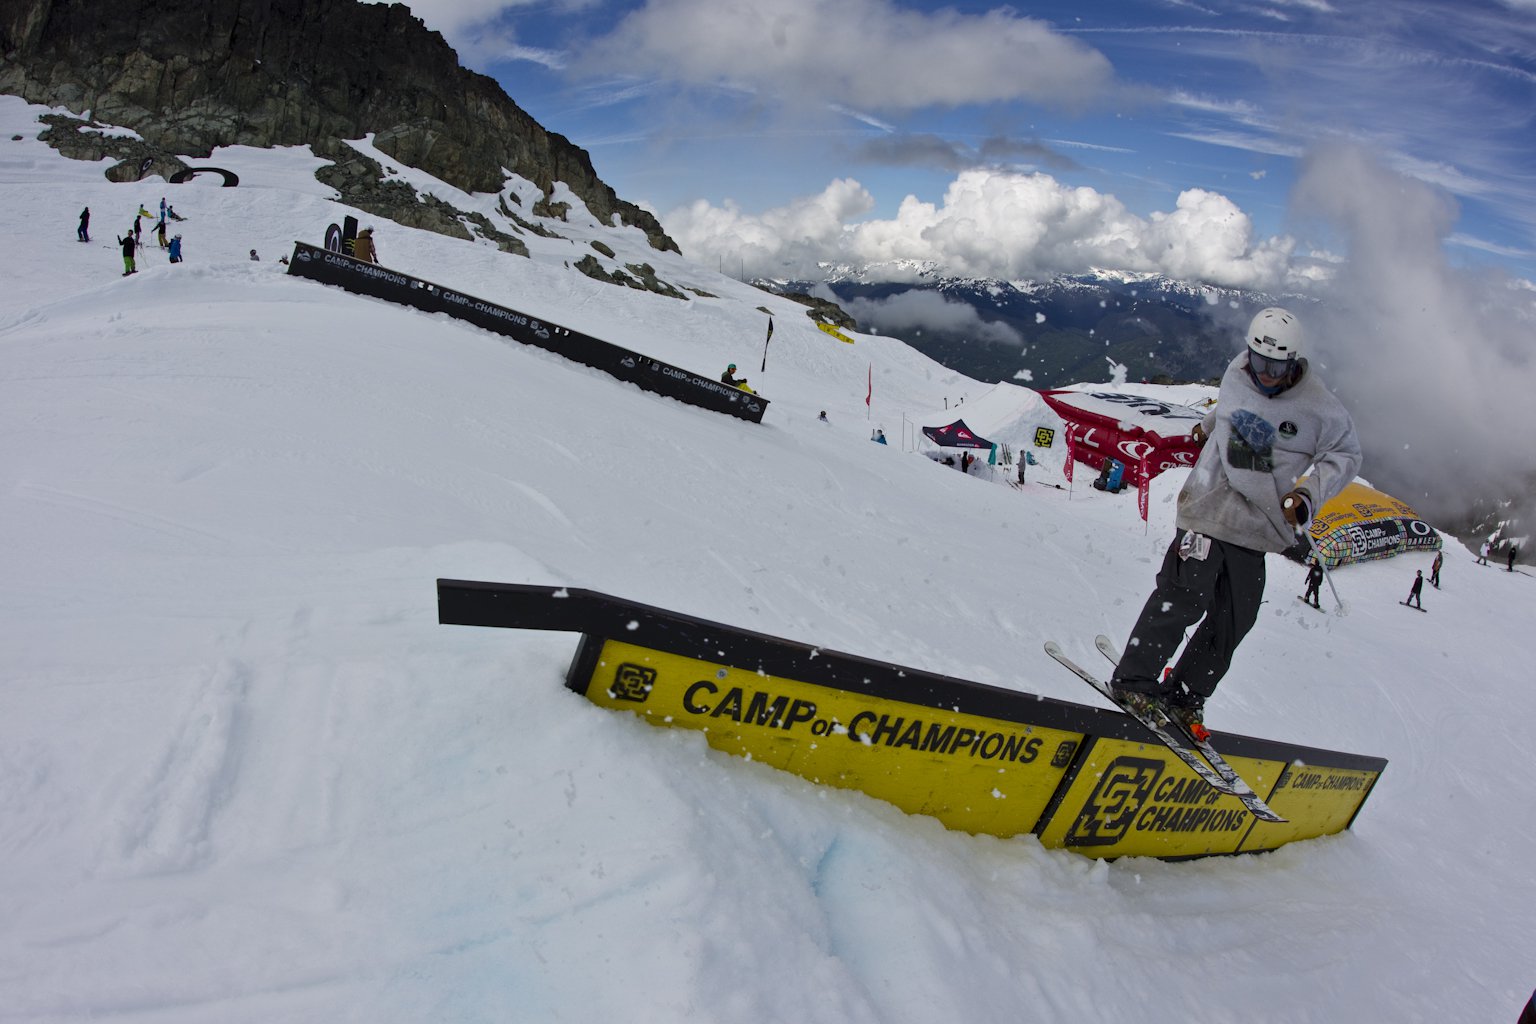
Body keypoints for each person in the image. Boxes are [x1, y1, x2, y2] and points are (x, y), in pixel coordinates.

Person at [1107, 307, 1361, 738]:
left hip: (1257, 524)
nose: (1262, 373)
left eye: (1274, 366)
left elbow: (1346, 455)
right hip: (1207, 507)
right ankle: (1133, 682)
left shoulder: (1318, 408)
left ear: (1294, 363)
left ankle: (1184, 696)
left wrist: (1307, 495)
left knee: (1234, 618)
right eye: (1257, 361)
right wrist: (1207, 427)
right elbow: (1233, 406)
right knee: (1184, 595)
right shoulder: (1239, 370)